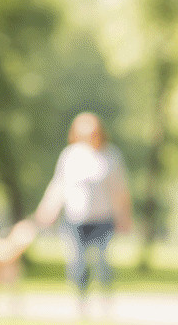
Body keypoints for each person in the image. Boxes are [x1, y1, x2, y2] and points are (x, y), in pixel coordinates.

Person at [35, 112, 133, 312]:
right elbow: (58, 186)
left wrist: (125, 217)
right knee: (77, 263)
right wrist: (46, 210)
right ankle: (81, 302)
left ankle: (105, 301)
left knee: (102, 263)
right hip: (75, 220)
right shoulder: (70, 155)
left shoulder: (111, 155)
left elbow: (120, 191)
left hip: (103, 219)